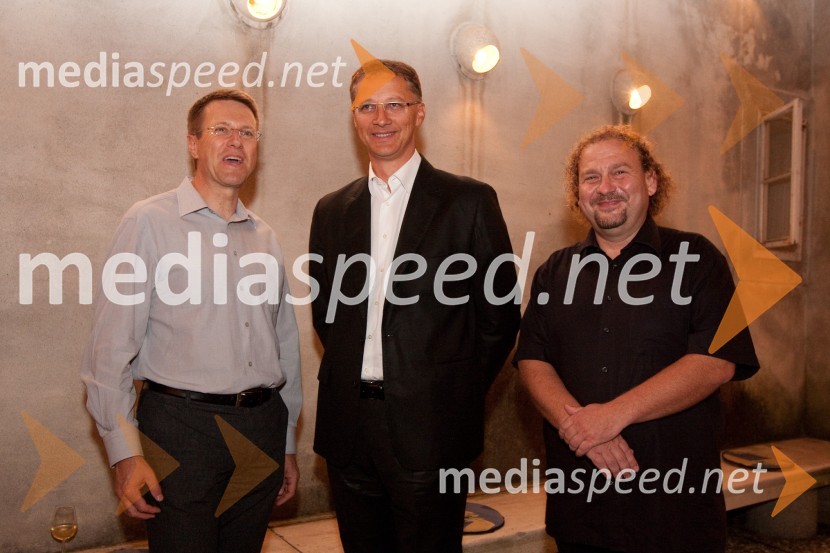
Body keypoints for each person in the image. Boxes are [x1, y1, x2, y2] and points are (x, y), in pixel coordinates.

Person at [309, 59, 520, 553]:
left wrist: (449, 390)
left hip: (434, 428)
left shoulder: (468, 202)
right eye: (367, 107)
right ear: (353, 117)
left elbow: (499, 318)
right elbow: (328, 315)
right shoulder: (331, 209)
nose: (381, 118)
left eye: (395, 105)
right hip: (349, 426)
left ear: (419, 113)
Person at [516, 125, 759, 553]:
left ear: (650, 181)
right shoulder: (554, 271)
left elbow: (716, 360)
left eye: (619, 173)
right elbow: (533, 361)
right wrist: (585, 430)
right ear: (578, 194)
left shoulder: (699, 259)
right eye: (591, 177)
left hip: (673, 508)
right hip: (581, 503)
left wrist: (610, 417)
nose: (605, 188)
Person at [81, 88, 302, 553]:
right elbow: (109, 351)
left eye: (247, 133)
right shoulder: (147, 223)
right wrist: (124, 452)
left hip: (261, 427)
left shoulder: (266, 237)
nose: (235, 142)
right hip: (181, 431)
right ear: (193, 143)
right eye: (220, 130)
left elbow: (284, 347)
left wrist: (285, 441)